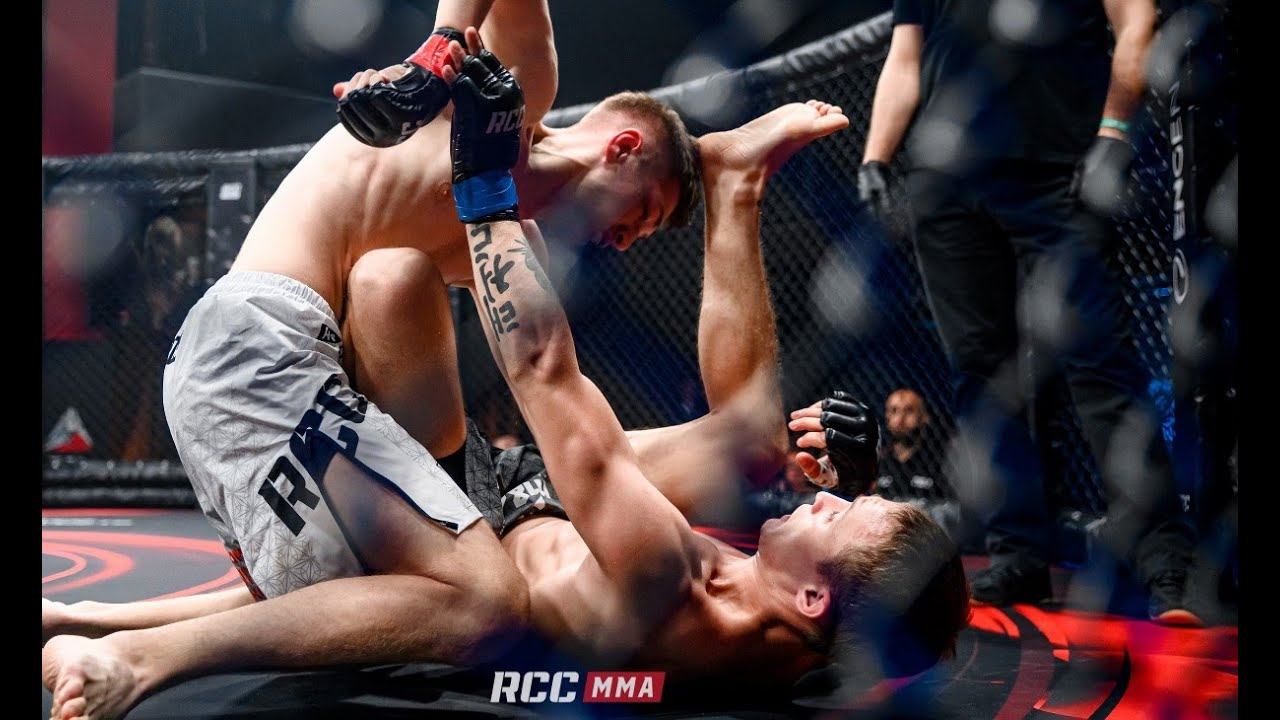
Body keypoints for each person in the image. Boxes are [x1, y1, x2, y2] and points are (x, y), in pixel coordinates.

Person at [43, 45, 970, 706]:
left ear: (813, 599)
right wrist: (851, 489)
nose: (828, 499)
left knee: (439, 565)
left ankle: (128, 649)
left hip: (493, 534)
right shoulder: (799, 634)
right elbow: (854, 569)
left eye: (838, 515)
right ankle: (736, 186)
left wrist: (484, 189)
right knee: (395, 275)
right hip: (509, 494)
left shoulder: (683, 589)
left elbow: (542, 371)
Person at [41, 1, 700, 716]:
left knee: (387, 589)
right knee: (484, 600)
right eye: (644, 214)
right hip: (261, 347)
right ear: (625, 147)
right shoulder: (513, 106)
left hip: (268, 364)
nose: (626, 241)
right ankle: (137, 662)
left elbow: (554, 390)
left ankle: (85, 622)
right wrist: (434, 56)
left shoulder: (513, 238)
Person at [856, 0, 1198, 623]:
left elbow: (1135, 22)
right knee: (981, 375)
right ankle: (1017, 553)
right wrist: (876, 156)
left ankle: (1163, 560)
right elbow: (905, 56)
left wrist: (1114, 133)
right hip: (947, 183)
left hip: (1056, 170)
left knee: (1099, 361)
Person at [876, 388, 945, 499]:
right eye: (894, 410)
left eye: (909, 411)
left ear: (924, 417)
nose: (900, 419)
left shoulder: (940, 462)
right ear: (886, 416)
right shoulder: (878, 462)